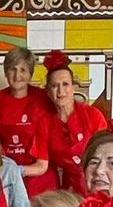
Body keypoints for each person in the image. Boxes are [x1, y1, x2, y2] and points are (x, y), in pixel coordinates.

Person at [0, 46, 55, 195]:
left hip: (40, 178)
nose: (17, 75)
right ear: (6, 72)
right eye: (12, 69)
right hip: (7, 176)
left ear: (30, 74)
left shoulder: (42, 98)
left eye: (23, 70)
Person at [41, 50, 107, 196]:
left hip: (97, 182)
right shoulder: (45, 122)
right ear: (47, 91)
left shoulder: (93, 115)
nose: (61, 91)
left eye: (65, 84)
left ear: (73, 87)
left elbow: (106, 151)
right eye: (54, 85)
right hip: (68, 189)